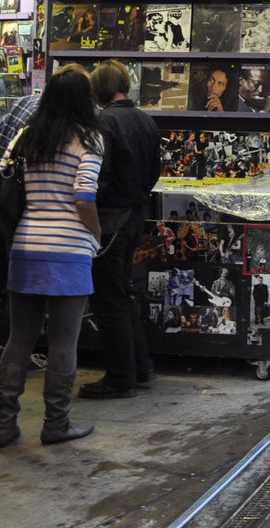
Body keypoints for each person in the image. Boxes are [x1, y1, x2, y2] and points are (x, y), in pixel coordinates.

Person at [0, 68, 102, 448]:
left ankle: (4, 424)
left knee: (18, 339)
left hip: (26, 245)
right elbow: (84, 196)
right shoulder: (88, 139)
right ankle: (56, 424)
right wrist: (96, 233)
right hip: (69, 249)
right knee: (63, 342)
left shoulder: (28, 136)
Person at [0, 64, 90, 315]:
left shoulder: (23, 103)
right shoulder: (70, 123)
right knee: (19, 286)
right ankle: (5, 344)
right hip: (24, 213)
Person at [78, 61, 161, 400]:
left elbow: (99, 175)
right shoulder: (146, 120)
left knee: (109, 299)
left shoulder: (103, 123)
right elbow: (155, 170)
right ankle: (140, 367)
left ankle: (120, 377)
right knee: (122, 293)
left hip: (111, 219)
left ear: (98, 89)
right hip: (135, 215)